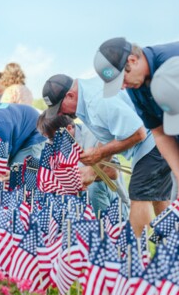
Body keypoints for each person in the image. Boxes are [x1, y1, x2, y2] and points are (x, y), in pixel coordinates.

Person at [41, 73, 172, 236]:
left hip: (154, 135)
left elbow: (138, 134)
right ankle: (172, 243)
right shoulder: (85, 100)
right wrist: (93, 170)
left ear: (70, 95)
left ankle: (134, 254)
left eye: (60, 109)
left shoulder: (97, 102)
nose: (61, 115)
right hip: (153, 134)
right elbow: (108, 138)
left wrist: (98, 154)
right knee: (158, 197)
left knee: (139, 195)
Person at [94, 37, 179, 197]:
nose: (122, 87)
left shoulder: (172, 59)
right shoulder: (135, 86)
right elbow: (159, 133)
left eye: (122, 79)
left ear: (132, 60)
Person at [37, 112, 130, 218]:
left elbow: (113, 172)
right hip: (80, 205)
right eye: (49, 139)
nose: (52, 143)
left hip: (114, 204)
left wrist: (76, 175)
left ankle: (105, 230)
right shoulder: (52, 146)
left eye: (54, 138)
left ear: (69, 128)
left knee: (94, 186)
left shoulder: (94, 135)